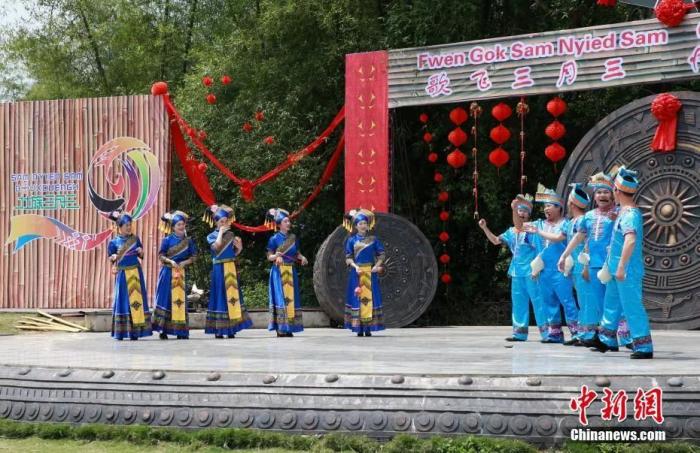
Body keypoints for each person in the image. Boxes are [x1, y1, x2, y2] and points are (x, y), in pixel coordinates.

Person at [558, 172, 631, 348]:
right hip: (594, 265)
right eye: (598, 192)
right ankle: (607, 340)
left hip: (612, 264)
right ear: (594, 196)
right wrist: (565, 255)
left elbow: (629, 236)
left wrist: (617, 219)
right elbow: (580, 237)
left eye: (606, 192)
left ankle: (627, 339)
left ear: (613, 194)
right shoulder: (589, 216)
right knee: (599, 303)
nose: (602, 195)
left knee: (617, 302)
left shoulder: (621, 213)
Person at [588, 167, 653, 359]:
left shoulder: (630, 214)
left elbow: (630, 241)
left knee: (632, 306)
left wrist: (622, 267)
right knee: (611, 303)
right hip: (616, 268)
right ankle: (606, 339)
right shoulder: (623, 213)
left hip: (626, 270)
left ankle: (644, 346)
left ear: (617, 191)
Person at [526, 184, 589, 346]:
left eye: (549, 206)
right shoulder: (540, 224)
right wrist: (516, 209)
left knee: (567, 301)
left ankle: (576, 332)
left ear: (559, 207)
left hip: (561, 269)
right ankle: (554, 333)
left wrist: (539, 232)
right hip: (545, 269)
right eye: (545, 206)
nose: (546, 209)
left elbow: (559, 238)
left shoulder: (567, 224)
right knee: (549, 300)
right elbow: (520, 227)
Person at [478, 194, 546, 342]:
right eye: (519, 210)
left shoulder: (533, 227)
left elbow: (539, 249)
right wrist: (484, 228)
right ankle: (519, 333)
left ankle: (547, 334)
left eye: (525, 211)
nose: (522, 213)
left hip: (532, 271)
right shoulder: (511, 231)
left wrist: (538, 269)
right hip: (516, 272)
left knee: (538, 301)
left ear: (529, 214)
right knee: (519, 303)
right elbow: (495, 241)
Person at [205, 204, 252, 338]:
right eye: (221, 222)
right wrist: (220, 232)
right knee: (220, 296)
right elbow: (216, 247)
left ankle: (232, 328)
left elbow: (233, 254)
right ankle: (218, 329)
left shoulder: (231, 235)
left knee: (232, 297)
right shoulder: (211, 236)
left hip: (230, 267)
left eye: (226, 221)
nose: (224, 224)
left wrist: (239, 248)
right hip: (219, 269)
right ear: (216, 222)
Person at [107, 211, 153, 340]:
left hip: (135, 273)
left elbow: (141, 255)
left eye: (130, 225)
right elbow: (110, 258)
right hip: (122, 275)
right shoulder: (114, 242)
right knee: (123, 300)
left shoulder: (135, 239)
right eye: (126, 225)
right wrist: (113, 257)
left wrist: (141, 251)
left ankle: (135, 332)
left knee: (136, 301)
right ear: (119, 227)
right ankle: (121, 332)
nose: (129, 227)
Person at [152, 210, 198, 340]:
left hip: (180, 273)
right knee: (166, 300)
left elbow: (194, 256)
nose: (181, 226)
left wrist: (185, 262)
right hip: (167, 273)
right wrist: (171, 261)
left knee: (180, 301)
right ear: (173, 227)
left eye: (183, 224)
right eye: (179, 225)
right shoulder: (167, 240)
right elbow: (161, 256)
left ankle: (180, 331)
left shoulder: (189, 241)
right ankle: (163, 330)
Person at [265, 208, 308, 337]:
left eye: (288, 221)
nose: (288, 223)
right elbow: (269, 257)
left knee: (291, 298)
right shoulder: (274, 239)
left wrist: (302, 257)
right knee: (280, 298)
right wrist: (275, 256)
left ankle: (289, 327)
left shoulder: (293, 238)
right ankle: (280, 328)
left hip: (290, 270)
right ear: (279, 224)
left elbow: (296, 253)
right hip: (278, 272)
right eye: (285, 221)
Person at [343, 209, 385, 337]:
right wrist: (355, 267)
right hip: (357, 273)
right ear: (356, 226)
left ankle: (369, 327)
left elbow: (381, 254)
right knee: (358, 298)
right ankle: (359, 328)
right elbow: (348, 258)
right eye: (360, 224)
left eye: (365, 223)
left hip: (370, 272)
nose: (363, 226)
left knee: (370, 298)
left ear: (368, 225)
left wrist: (376, 266)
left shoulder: (373, 239)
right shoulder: (351, 240)